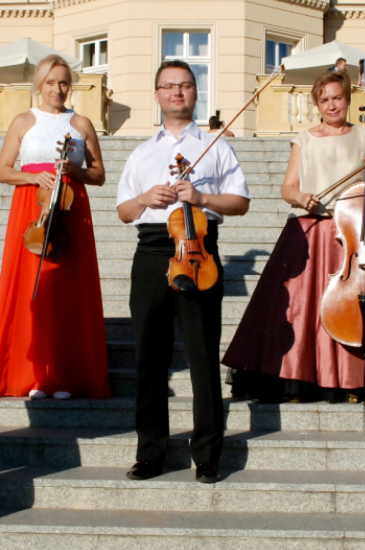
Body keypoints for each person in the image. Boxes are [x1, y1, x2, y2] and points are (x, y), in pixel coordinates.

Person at [222, 68, 365, 404]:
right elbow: (287, 187)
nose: (331, 105)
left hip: (350, 235)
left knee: (349, 306)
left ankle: (351, 378)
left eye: (337, 98)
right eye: (324, 100)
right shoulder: (304, 139)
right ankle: (296, 378)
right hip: (309, 228)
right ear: (316, 104)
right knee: (297, 308)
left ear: (348, 100)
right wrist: (301, 197)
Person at [117, 60, 250, 484]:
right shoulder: (141, 153)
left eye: (186, 86)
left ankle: (208, 453)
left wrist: (202, 195)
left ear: (195, 93)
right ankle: (150, 451)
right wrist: (143, 198)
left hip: (200, 251)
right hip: (153, 251)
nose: (177, 92)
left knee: (202, 356)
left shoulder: (217, 145)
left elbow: (241, 202)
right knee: (149, 358)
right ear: (156, 95)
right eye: (169, 86)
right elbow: (123, 212)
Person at [0, 54, 110, 401]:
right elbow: (2, 170)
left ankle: (64, 375)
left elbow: (98, 175)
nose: (58, 89)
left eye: (64, 82)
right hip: (31, 208)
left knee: (66, 291)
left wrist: (73, 170)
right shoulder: (24, 120)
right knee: (30, 291)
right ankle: (33, 375)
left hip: (68, 209)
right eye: (51, 82)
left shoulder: (80, 123)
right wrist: (33, 176)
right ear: (39, 85)